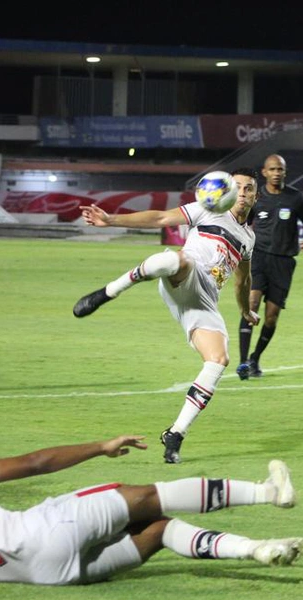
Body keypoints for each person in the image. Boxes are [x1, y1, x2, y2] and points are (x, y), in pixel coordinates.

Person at [0, 434, 303, 585]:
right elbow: (36, 463)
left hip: (49, 575)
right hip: (47, 530)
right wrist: (99, 446)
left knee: (158, 531)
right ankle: (266, 492)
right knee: (146, 497)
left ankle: (255, 549)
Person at [71, 168, 260, 464]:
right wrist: (110, 219)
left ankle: (176, 433)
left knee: (218, 360)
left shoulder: (248, 238)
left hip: (204, 301)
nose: (243, 193)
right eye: (237, 187)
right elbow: (160, 218)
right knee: (177, 258)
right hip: (185, 277)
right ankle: (108, 292)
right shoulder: (205, 210)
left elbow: (242, 281)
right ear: (228, 191)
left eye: (249, 189)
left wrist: (245, 309)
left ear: (255, 197)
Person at [237, 154, 303, 382]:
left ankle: (255, 358)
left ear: (285, 172)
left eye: (280, 169)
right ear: (264, 172)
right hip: (258, 257)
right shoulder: (257, 196)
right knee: (251, 305)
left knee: (271, 317)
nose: (276, 173)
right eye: (272, 169)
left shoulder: (295, 198)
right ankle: (243, 362)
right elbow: (241, 220)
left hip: (283, 261)